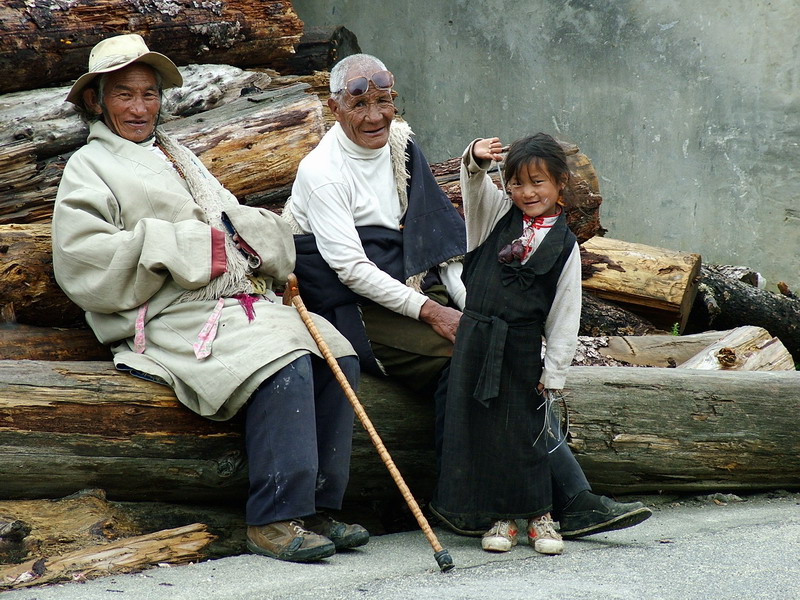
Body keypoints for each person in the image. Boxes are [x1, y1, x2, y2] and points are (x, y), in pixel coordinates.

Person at [51, 33, 369, 564]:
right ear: (96, 100)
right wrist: (194, 245)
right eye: (124, 94)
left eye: (149, 94)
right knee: (283, 363)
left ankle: (314, 509)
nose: (139, 107)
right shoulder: (89, 167)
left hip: (229, 303)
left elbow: (229, 218)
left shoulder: (178, 157)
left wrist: (251, 236)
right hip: (165, 316)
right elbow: (82, 260)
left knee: (337, 356)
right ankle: (271, 519)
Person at [430, 133, 653, 554]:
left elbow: (564, 314)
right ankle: (498, 517)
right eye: (518, 183)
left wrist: (554, 374)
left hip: (521, 347)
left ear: (560, 184)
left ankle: (541, 516)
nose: (527, 193)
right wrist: (475, 158)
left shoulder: (565, 245)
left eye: (538, 183)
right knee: (484, 432)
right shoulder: (493, 215)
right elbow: (474, 186)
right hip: (476, 341)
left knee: (526, 430)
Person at [283, 53, 467, 456]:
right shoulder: (323, 172)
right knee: (467, 358)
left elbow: (436, 242)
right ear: (334, 109)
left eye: (383, 102)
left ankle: (564, 494)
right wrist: (435, 313)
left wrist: (468, 307)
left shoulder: (400, 146)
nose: (374, 117)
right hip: (353, 306)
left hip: (410, 286)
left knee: (499, 345)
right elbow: (351, 269)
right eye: (359, 105)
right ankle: (458, 497)